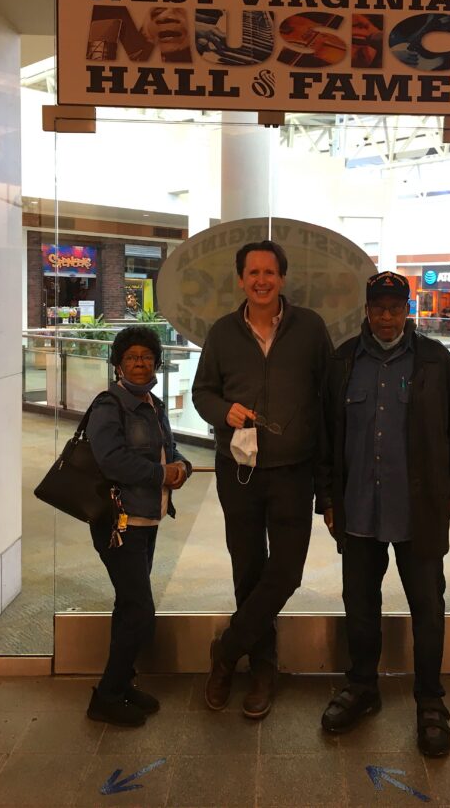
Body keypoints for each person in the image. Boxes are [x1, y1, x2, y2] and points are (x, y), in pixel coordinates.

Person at [316, 271, 450, 756]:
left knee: (427, 608)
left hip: (420, 512)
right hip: (358, 509)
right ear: (367, 311)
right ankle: (362, 687)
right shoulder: (343, 361)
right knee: (359, 605)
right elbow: (326, 438)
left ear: (407, 311)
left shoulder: (434, 360)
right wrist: (328, 499)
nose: (386, 317)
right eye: (378, 308)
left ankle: (430, 700)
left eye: (394, 308)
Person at [192, 240, 332, 720]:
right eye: (252, 272)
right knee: (248, 570)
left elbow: (327, 396)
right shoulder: (222, 332)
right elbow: (202, 392)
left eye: (269, 272)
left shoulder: (310, 328)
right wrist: (222, 411)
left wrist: (327, 474)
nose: (261, 280)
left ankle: (227, 649)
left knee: (287, 572)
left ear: (282, 278)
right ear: (241, 280)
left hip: (295, 471)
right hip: (240, 471)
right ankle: (262, 668)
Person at [85, 325, 192, 727]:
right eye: (131, 357)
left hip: (146, 519)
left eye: (147, 357)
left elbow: (168, 449)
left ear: (156, 363)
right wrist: (161, 474)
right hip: (119, 523)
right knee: (139, 611)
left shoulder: (153, 404)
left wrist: (181, 466)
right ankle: (107, 696)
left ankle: (122, 683)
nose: (140, 363)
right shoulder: (109, 405)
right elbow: (111, 460)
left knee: (128, 605)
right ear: (118, 364)